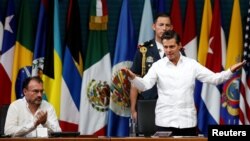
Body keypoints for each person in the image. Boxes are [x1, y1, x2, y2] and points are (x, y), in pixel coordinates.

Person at [123, 30, 246, 136]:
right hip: (165, 123)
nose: (168, 50)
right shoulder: (158, 66)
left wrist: (231, 70)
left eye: (172, 47)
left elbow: (214, 79)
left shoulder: (191, 64)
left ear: (180, 46)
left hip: (187, 122)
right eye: (165, 47)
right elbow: (144, 86)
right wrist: (133, 78)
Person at [130, 13, 177, 122]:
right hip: (147, 104)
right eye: (161, 25)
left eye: (167, 25)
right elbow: (134, 81)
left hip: (171, 106)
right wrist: (133, 109)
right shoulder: (143, 50)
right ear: (154, 26)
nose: (164, 28)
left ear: (171, 28)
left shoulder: (178, 52)